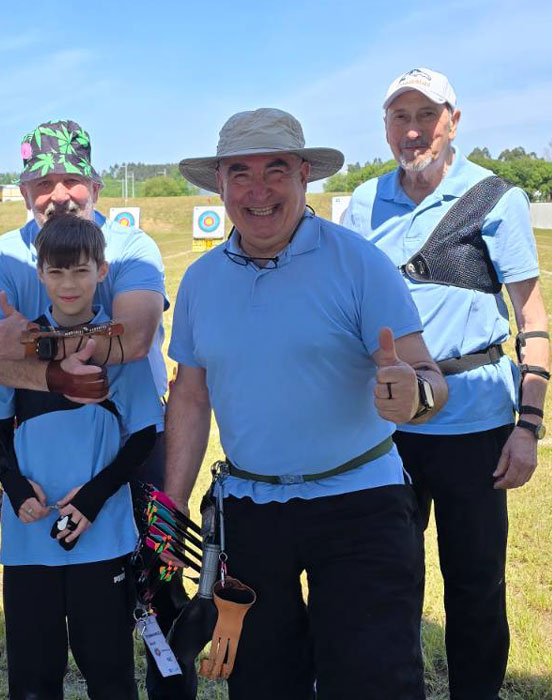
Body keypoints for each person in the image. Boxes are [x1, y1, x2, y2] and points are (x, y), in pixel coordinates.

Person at [165, 107, 449, 699]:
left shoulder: (357, 261)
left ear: (303, 177)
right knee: (263, 681)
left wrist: (414, 394)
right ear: (220, 184)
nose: (258, 190)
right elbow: (190, 397)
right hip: (250, 507)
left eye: (276, 170)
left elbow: (426, 376)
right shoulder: (200, 280)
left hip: (361, 504)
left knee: (373, 680)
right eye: (240, 172)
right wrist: (171, 504)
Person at [0, 119, 193, 698]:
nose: (58, 194)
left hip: (132, 452)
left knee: (158, 601)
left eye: (71, 180)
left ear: (94, 185)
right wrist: (50, 375)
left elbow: (134, 340)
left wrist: (30, 348)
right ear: (22, 191)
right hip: (42, 462)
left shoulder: (131, 245)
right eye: (43, 183)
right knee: (42, 636)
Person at [342, 67, 551, 699]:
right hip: (387, 430)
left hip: (477, 424)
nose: (413, 132)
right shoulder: (362, 201)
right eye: (399, 118)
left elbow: (532, 321)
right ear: (385, 127)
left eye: (426, 117)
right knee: (386, 582)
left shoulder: (495, 199)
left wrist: (528, 427)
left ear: (452, 122)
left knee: (476, 584)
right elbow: (344, 307)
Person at [0, 214, 163, 699]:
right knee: (33, 675)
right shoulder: (20, 348)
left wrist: (93, 499)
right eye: (56, 272)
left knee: (109, 672)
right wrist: (17, 489)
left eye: (81, 271)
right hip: (28, 539)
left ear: (102, 272)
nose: (69, 284)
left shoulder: (117, 349)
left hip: (102, 537)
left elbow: (144, 436)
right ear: (38, 273)